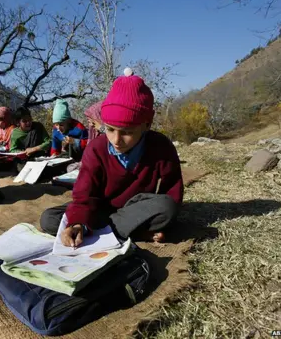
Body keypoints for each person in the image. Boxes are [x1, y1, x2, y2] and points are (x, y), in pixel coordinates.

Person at [40, 68, 184, 244]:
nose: (116, 140)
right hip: (99, 208)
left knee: (166, 207)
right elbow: (84, 194)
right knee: (49, 218)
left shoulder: (160, 146)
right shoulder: (96, 148)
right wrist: (78, 223)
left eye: (127, 132)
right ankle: (129, 231)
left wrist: (163, 222)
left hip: (136, 209)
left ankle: (103, 231)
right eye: (109, 129)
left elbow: (172, 193)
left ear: (146, 125)